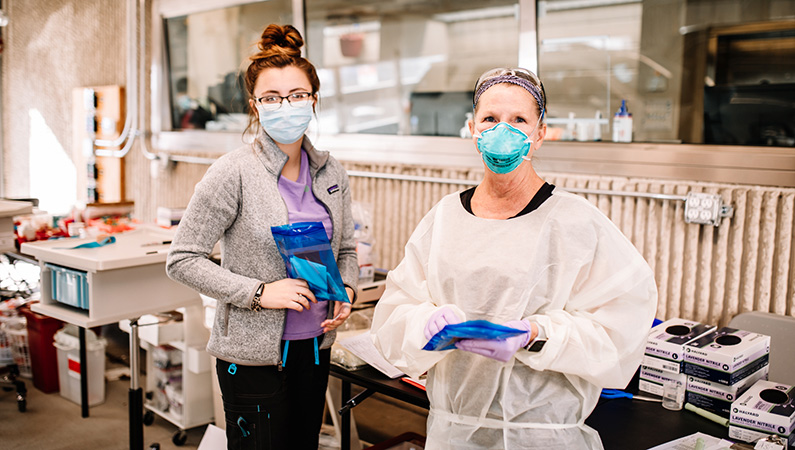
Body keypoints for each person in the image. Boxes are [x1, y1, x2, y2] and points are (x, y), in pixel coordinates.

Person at [370, 67, 658, 449]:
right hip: (453, 433)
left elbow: (620, 332)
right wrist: (425, 324)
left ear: (539, 134)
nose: (502, 131)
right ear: (474, 130)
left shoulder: (574, 221)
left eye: (518, 120)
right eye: (490, 119)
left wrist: (537, 335)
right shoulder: (444, 218)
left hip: (544, 437)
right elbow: (394, 313)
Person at [166, 24, 358, 450]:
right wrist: (259, 293)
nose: (285, 106)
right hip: (253, 357)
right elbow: (182, 258)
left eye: (297, 95)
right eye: (272, 98)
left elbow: (345, 249)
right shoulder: (232, 171)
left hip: (315, 346)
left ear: (313, 100)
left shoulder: (332, 173)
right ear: (255, 105)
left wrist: (346, 289)